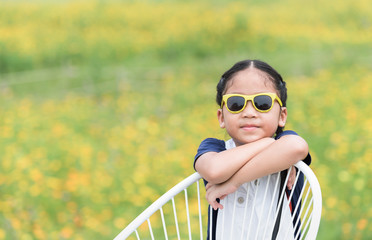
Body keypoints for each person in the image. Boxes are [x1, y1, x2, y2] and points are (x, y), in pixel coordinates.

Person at [194, 59, 311, 239]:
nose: (249, 112)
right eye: (236, 104)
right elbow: (214, 170)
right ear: (221, 117)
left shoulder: (284, 143)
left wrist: (233, 182)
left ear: (282, 116)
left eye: (263, 103)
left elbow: (297, 146)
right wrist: (266, 143)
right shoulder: (215, 148)